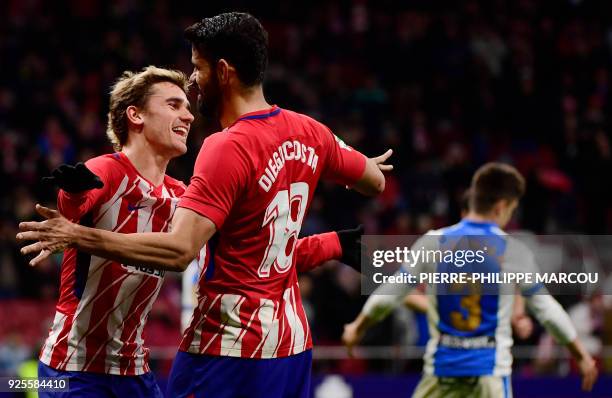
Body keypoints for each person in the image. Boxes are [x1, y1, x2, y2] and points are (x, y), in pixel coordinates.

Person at [18, 12, 391, 398]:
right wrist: (72, 201)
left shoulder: (193, 183)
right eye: (174, 104)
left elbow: (200, 252)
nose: (189, 107)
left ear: (224, 71)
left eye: (197, 71)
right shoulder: (309, 131)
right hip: (77, 365)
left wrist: (78, 234)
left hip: (204, 351)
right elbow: (80, 198)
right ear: (136, 115)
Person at [342, 163, 597, 398]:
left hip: (442, 374)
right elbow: (548, 311)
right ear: (501, 206)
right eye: (511, 209)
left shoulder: (433, 241)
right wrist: (581, 355)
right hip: (490, 378)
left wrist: (358, 327)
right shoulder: (513, 250)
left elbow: (390, 293)